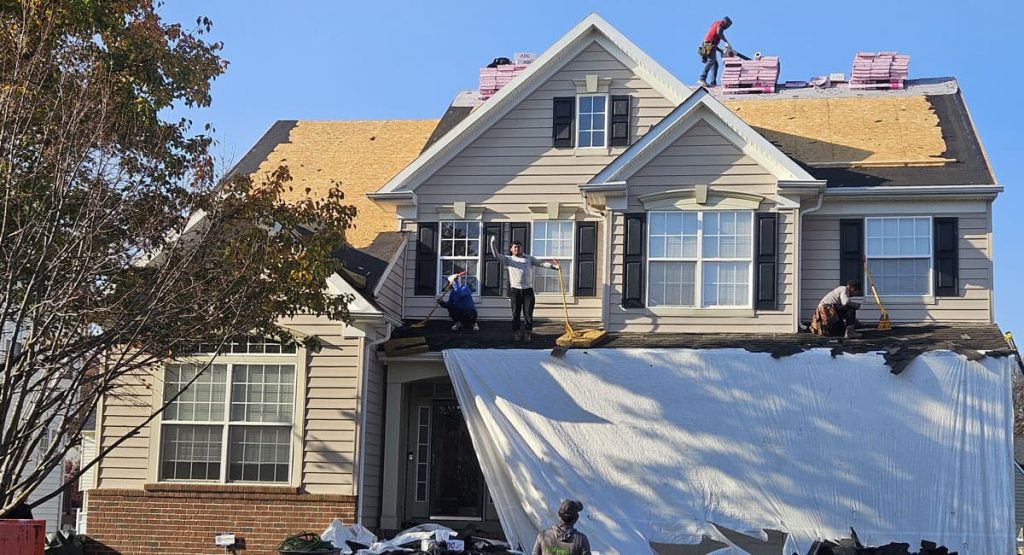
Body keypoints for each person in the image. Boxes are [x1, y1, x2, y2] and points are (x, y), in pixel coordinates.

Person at [489, 235, 559, 342]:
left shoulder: (529, 259)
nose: (517, 249)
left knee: (528, 314)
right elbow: (496, 255)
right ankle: (516, 332)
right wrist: (492, 243)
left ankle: (527, 333)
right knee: (515, 313)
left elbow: (541, 263)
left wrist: (554, 267)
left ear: (522, 248)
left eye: (519, 247)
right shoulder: (508, 259)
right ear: (511, 249)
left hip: (528, 290)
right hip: (515, 290)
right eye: (515, 247)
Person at [697, 16, 732, 87]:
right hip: (709, 45)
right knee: (711, 61)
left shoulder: (716, 24)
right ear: (726, 23)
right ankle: (702, 79)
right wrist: (726, 41)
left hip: (710, 45)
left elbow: (714, 43)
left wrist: (720, 51)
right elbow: (719, 32)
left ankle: (713, 83)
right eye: (728, 26)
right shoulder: (721, 23)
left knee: (715, 65)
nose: (727, 28)